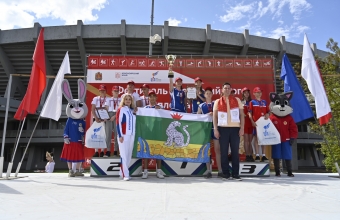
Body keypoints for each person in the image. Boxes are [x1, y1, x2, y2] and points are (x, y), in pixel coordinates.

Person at [213, 82, 244, 181]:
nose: (227, 90)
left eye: (228, 88)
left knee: (235, 151)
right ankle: (225, 174)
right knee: (224, 152)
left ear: (231, 90)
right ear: (222, 90)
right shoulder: (218, 101)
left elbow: (242, 115)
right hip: (223, 128)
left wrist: (242, 127)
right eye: (225, 88)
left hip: (235, 128)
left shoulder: (237, 100)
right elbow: (214, 116)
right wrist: (215, 129)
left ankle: (235, 174)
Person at [197, 87, 222, 178]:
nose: (208, 95)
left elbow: (221, 115)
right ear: (204, 95)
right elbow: (197, 117)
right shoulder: (201, 106)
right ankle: (208, 170)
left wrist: (214, 114)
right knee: (207, 150)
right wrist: (206, 116)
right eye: (206, 93)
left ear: (212, 94)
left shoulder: (216, 104)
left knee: (217, 150)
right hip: (206, 130)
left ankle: (220, 170)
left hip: (215, 129)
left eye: (210, 93)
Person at [142, 90, 165, 179]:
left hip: (158, 132)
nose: (152, 98)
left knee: (158, 151)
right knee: (147, 151)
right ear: (148, 98)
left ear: (156, 98)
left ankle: (158, 171)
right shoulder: (145, 108)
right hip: (148, 133)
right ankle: (145, 171)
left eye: (154, 96)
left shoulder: (160, 107)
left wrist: (160, 110)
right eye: (150, 96)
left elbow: (165, 117)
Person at [116, 94, 137, 181]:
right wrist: (120, 135)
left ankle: (122, 172)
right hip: (124, 135)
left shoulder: (132, 111)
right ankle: (126, 174)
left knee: (128, 155)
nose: (128, 101)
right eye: (126, 99)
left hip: (131, 135)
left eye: (129, 99)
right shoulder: (121, 109)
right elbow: (118, 122)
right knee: (124, 155)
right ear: (123, 101)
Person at [248, 87, 270, 162]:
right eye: (257, 92)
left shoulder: (264, 102)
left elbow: (268, 111)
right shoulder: (252, 102)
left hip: (264, 124)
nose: (259, 94)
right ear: (254, 93)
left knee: (263, 139)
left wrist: (267, 114)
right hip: (256, 123)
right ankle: (257, 155)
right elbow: (250, 113)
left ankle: (263, 155)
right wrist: (252, 121)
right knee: (257, 139)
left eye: (260, 92)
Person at [91, 84, 109, 157]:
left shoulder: (108, 99)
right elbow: (93, 109)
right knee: (96, 134)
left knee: (103, 135)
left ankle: (102, 151)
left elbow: (107, 109)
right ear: (99, 91)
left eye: (104, 91)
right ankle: (96, 151)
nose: (102, 92)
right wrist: (95, 117)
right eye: (101, 91)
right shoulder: (95, 98)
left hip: (104, 118)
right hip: (96, 118)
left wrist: (105, 118)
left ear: (106, 91)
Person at [105, 85, 122, 156]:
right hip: (109, 115)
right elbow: (106, 108)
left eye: (117, 91)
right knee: (108, 134)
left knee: (116, 134)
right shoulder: (108, 99)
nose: (116, 92)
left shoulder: (121, 99)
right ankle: (108, 150)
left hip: (117, 115)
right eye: (115, 91)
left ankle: (115, 151)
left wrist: (115, 116)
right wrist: (106, 116)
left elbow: (121, 109)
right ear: (112, 92)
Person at [241, 87, 255, 162]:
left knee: (251, 141)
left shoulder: (252, 102)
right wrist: (242, 114)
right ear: (243, 94)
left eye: (247, 92)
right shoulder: (241, 102)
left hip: (251, 122)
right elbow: (239, 112)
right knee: (246, 141)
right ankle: (247, 156)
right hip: (245, 123)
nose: (246, 94)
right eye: (245, 92)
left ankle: (251, 155)